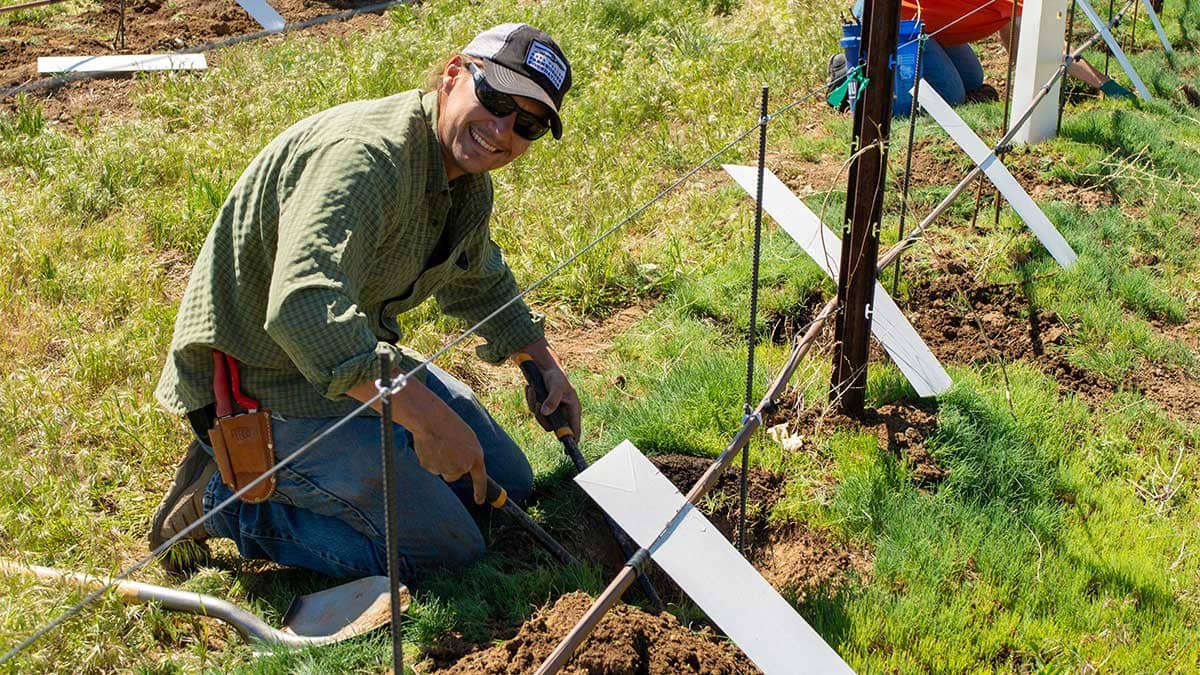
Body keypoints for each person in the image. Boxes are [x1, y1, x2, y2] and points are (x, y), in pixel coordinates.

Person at [148, 23, 580, 581]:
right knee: (445, 555)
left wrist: (542, 363)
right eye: (494, 100)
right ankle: (220, 503)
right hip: (262, 380)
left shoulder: (461, 172)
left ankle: (329, 458)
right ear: (453, 75)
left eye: (528, 124)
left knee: (507, 488)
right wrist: (425, 421)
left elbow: (477, 275)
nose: (501, 130)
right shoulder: (367, 158)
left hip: (348, 357)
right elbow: (303, 307)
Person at [834, 0, 1133, 116]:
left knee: (973, 79)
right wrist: (1104, 84)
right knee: (951, 94)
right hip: (894, 22)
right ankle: (848, 68)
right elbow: (1054, 45)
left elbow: (1020, 50)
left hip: (930, 28)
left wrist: (1101, 84)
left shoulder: (1011, 6)